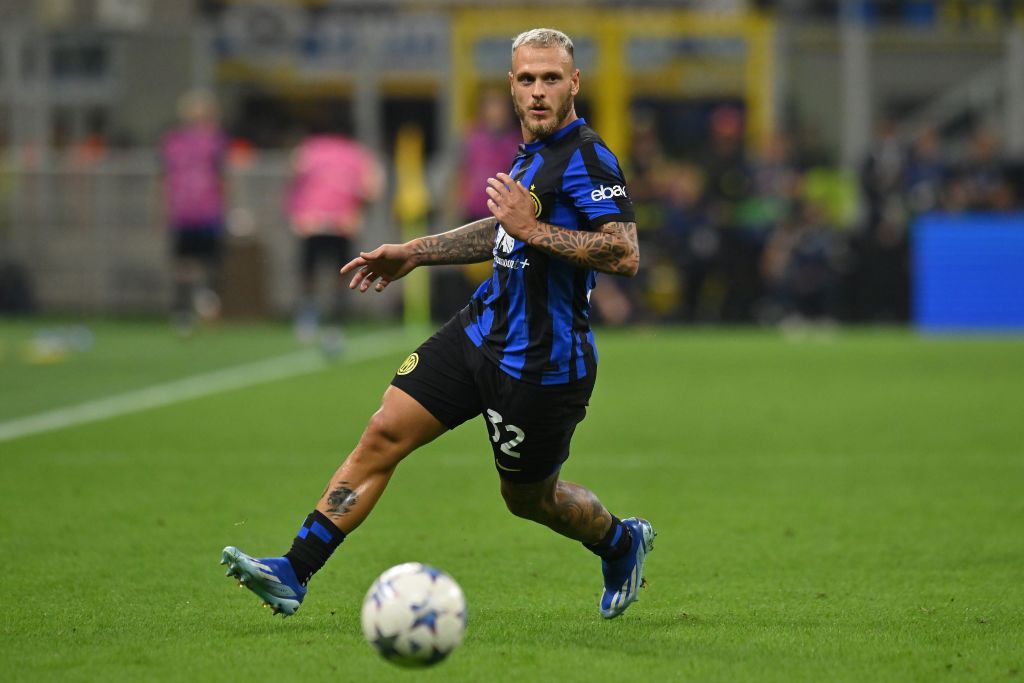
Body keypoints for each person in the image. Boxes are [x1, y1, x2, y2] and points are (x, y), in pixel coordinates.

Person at [222, 27, 655, 620]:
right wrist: (416, 251)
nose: (537, 91)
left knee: (529, 500)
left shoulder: (588, 158)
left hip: (541, 365)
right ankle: (294, 570)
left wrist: (531, 230)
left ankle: (620, 542)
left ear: (574, 83)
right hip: (479, 331)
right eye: (526, 79)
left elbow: (623, 252)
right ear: (510, 84)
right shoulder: (530, 153)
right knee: (384, 431)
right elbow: (501, 229)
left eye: (551, 78)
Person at [287, 115, 384, 348]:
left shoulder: (309, 150)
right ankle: (334, 324)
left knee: (309, 273)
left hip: (313, 222)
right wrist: (358, 211)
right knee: (339, 275)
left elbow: (294, 180)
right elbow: (372, 189)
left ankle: (309, 320)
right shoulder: (358, 155)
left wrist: (296, 211)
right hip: (342, 223)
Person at [160, 89, 229, 335]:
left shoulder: (214, 142)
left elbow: (222, 177)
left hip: (207, 210)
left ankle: (206, 302)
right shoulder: (175, 142)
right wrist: (165, 207)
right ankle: (185, 311)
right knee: (184, 266)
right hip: (185, 211)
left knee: (209, 263)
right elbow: (165, 179)